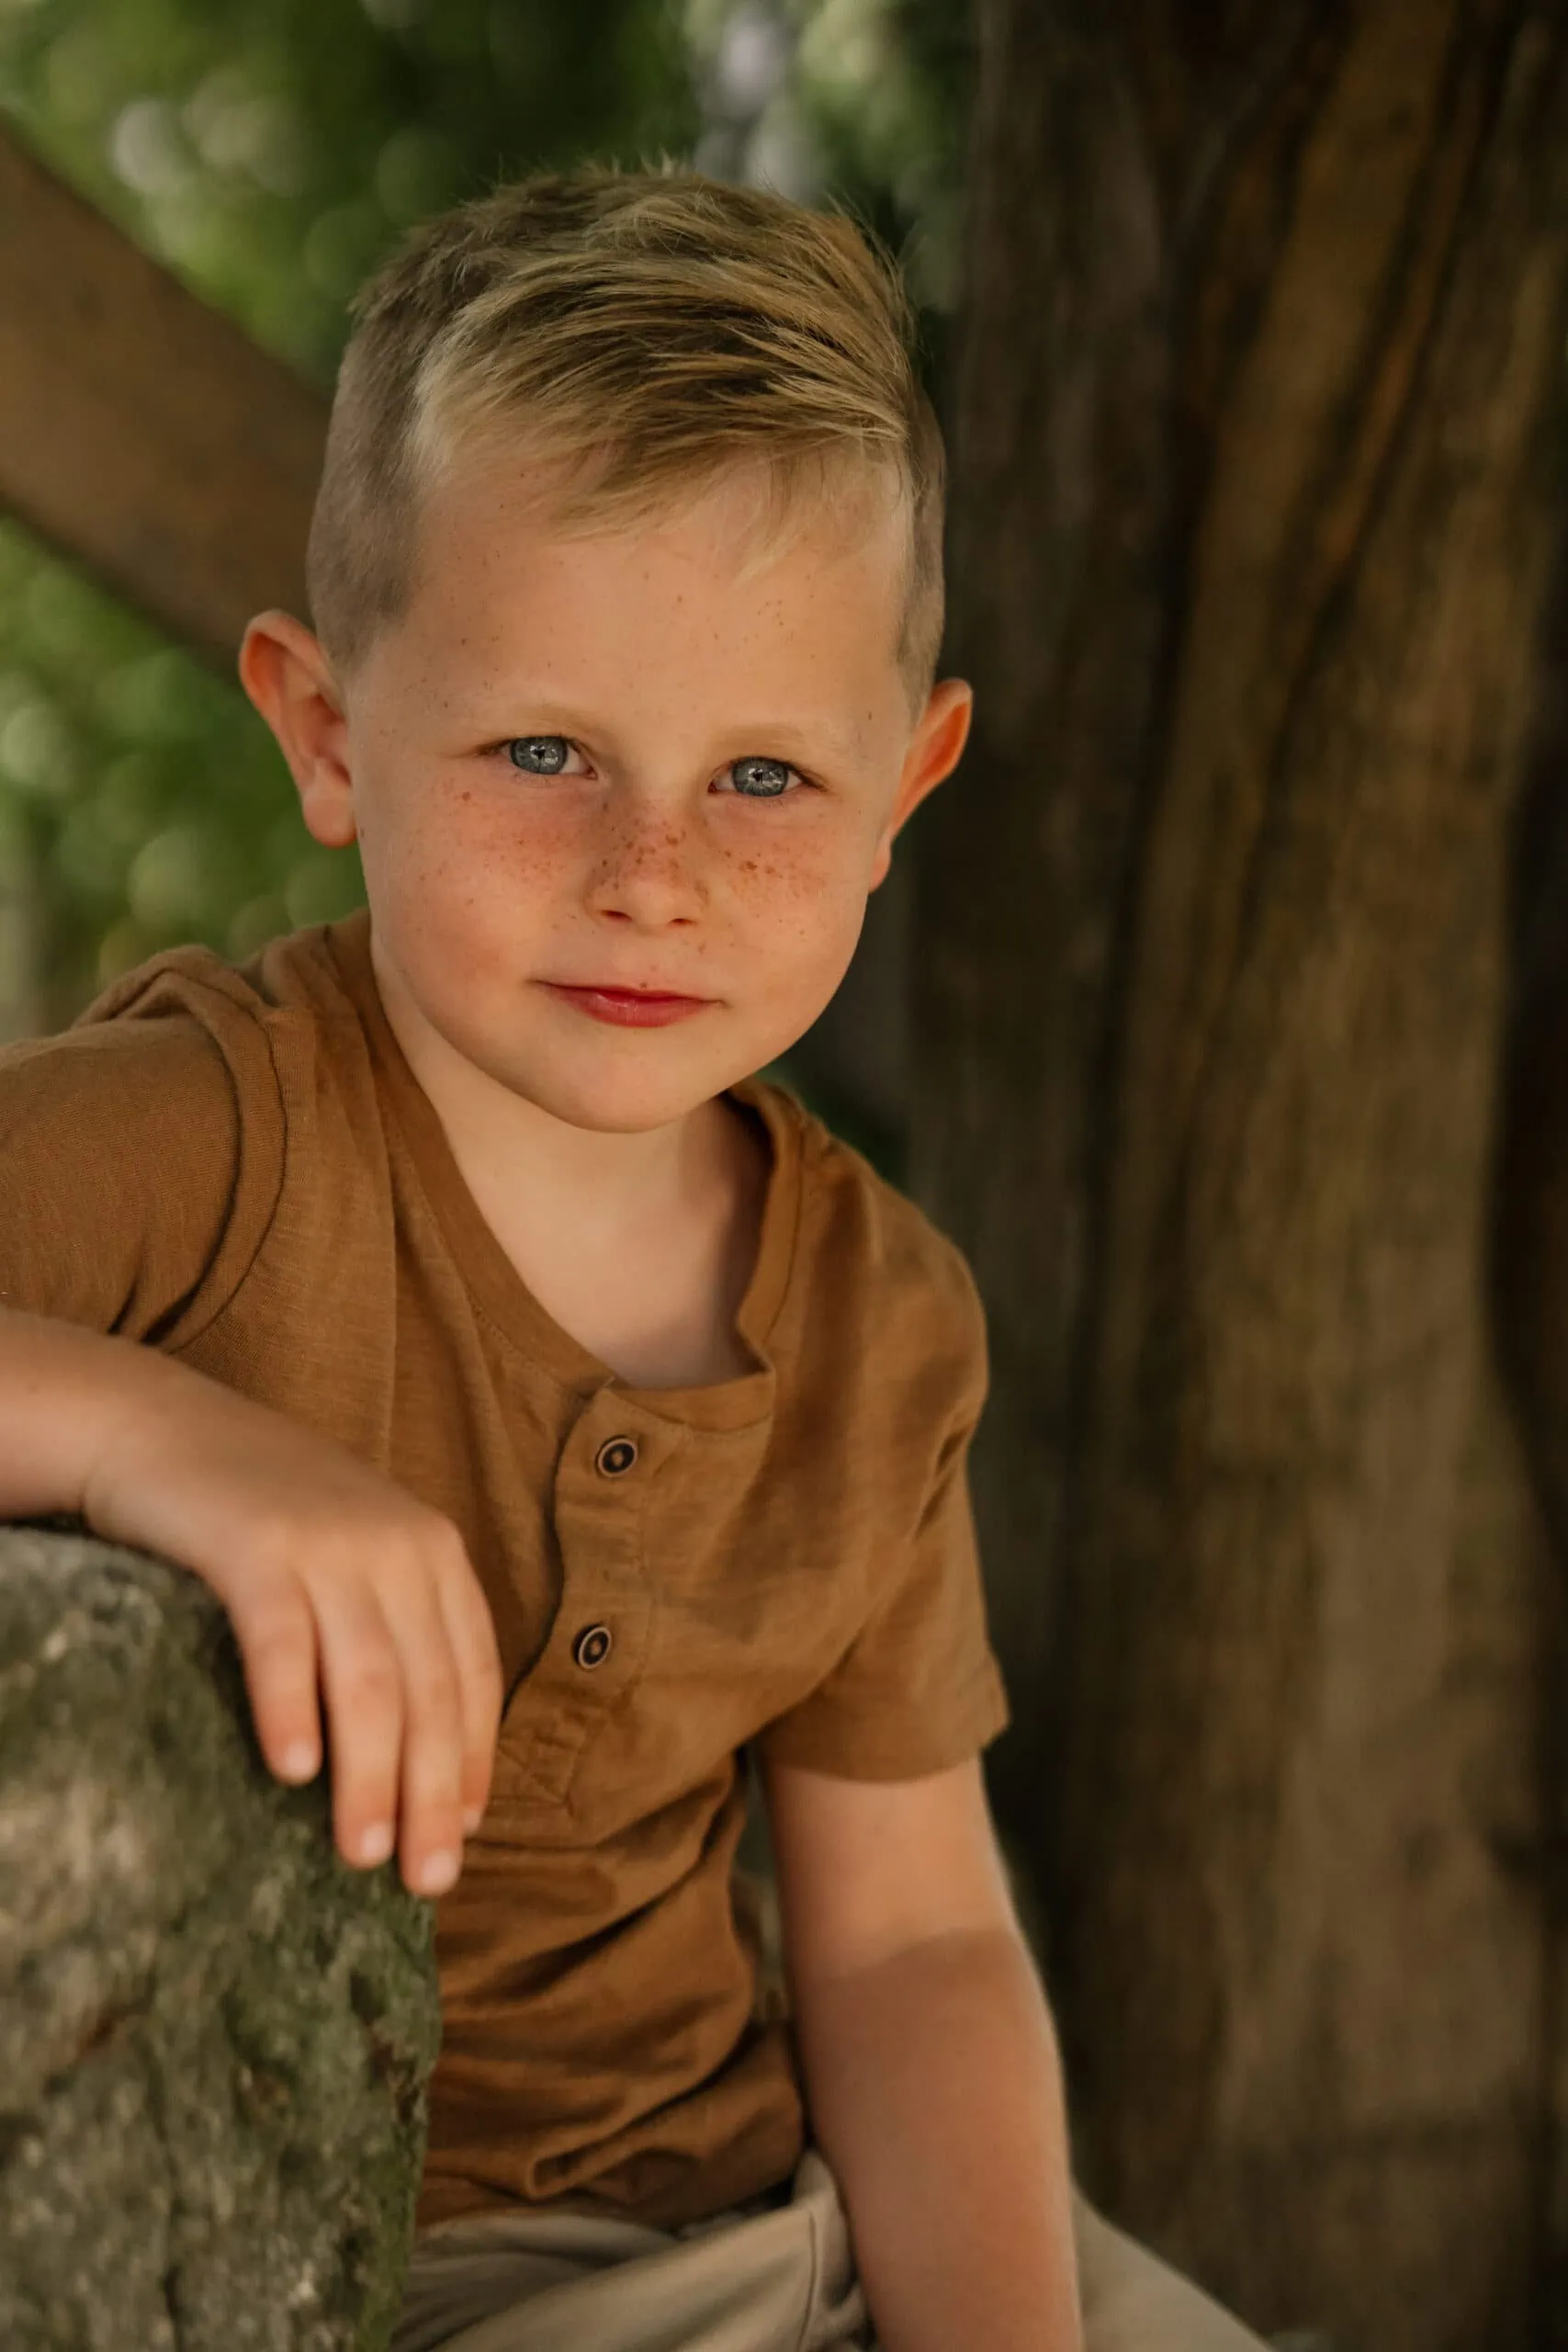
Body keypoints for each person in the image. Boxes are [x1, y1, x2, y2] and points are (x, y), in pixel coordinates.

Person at [0, 169, 1267, 2351]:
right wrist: (160, 1438)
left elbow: (907, 1949)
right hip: (380, 2253)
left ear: (908, 782)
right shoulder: (212, 1129)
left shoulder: (882, 1323)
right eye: (544, 752)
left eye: (764, 773)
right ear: (324, 730)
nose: (648, 874)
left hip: (795, 2211)